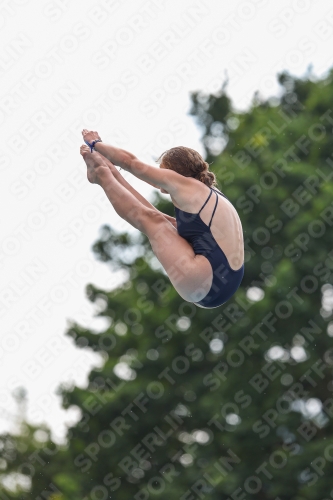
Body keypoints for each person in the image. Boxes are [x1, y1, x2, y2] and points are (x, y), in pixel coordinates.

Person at [80, 129, 244, 308]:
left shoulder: (186, 185)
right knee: (159, 220)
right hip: (223, 280)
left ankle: (102, 176)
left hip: (207, 281)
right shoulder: (206, 192)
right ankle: (108, 172)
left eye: (162, 171)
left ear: (174, 171)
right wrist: (114, 170)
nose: (159, 179)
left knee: (153, 223)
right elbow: (150, 196)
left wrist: (96, 143)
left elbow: (132, 163)